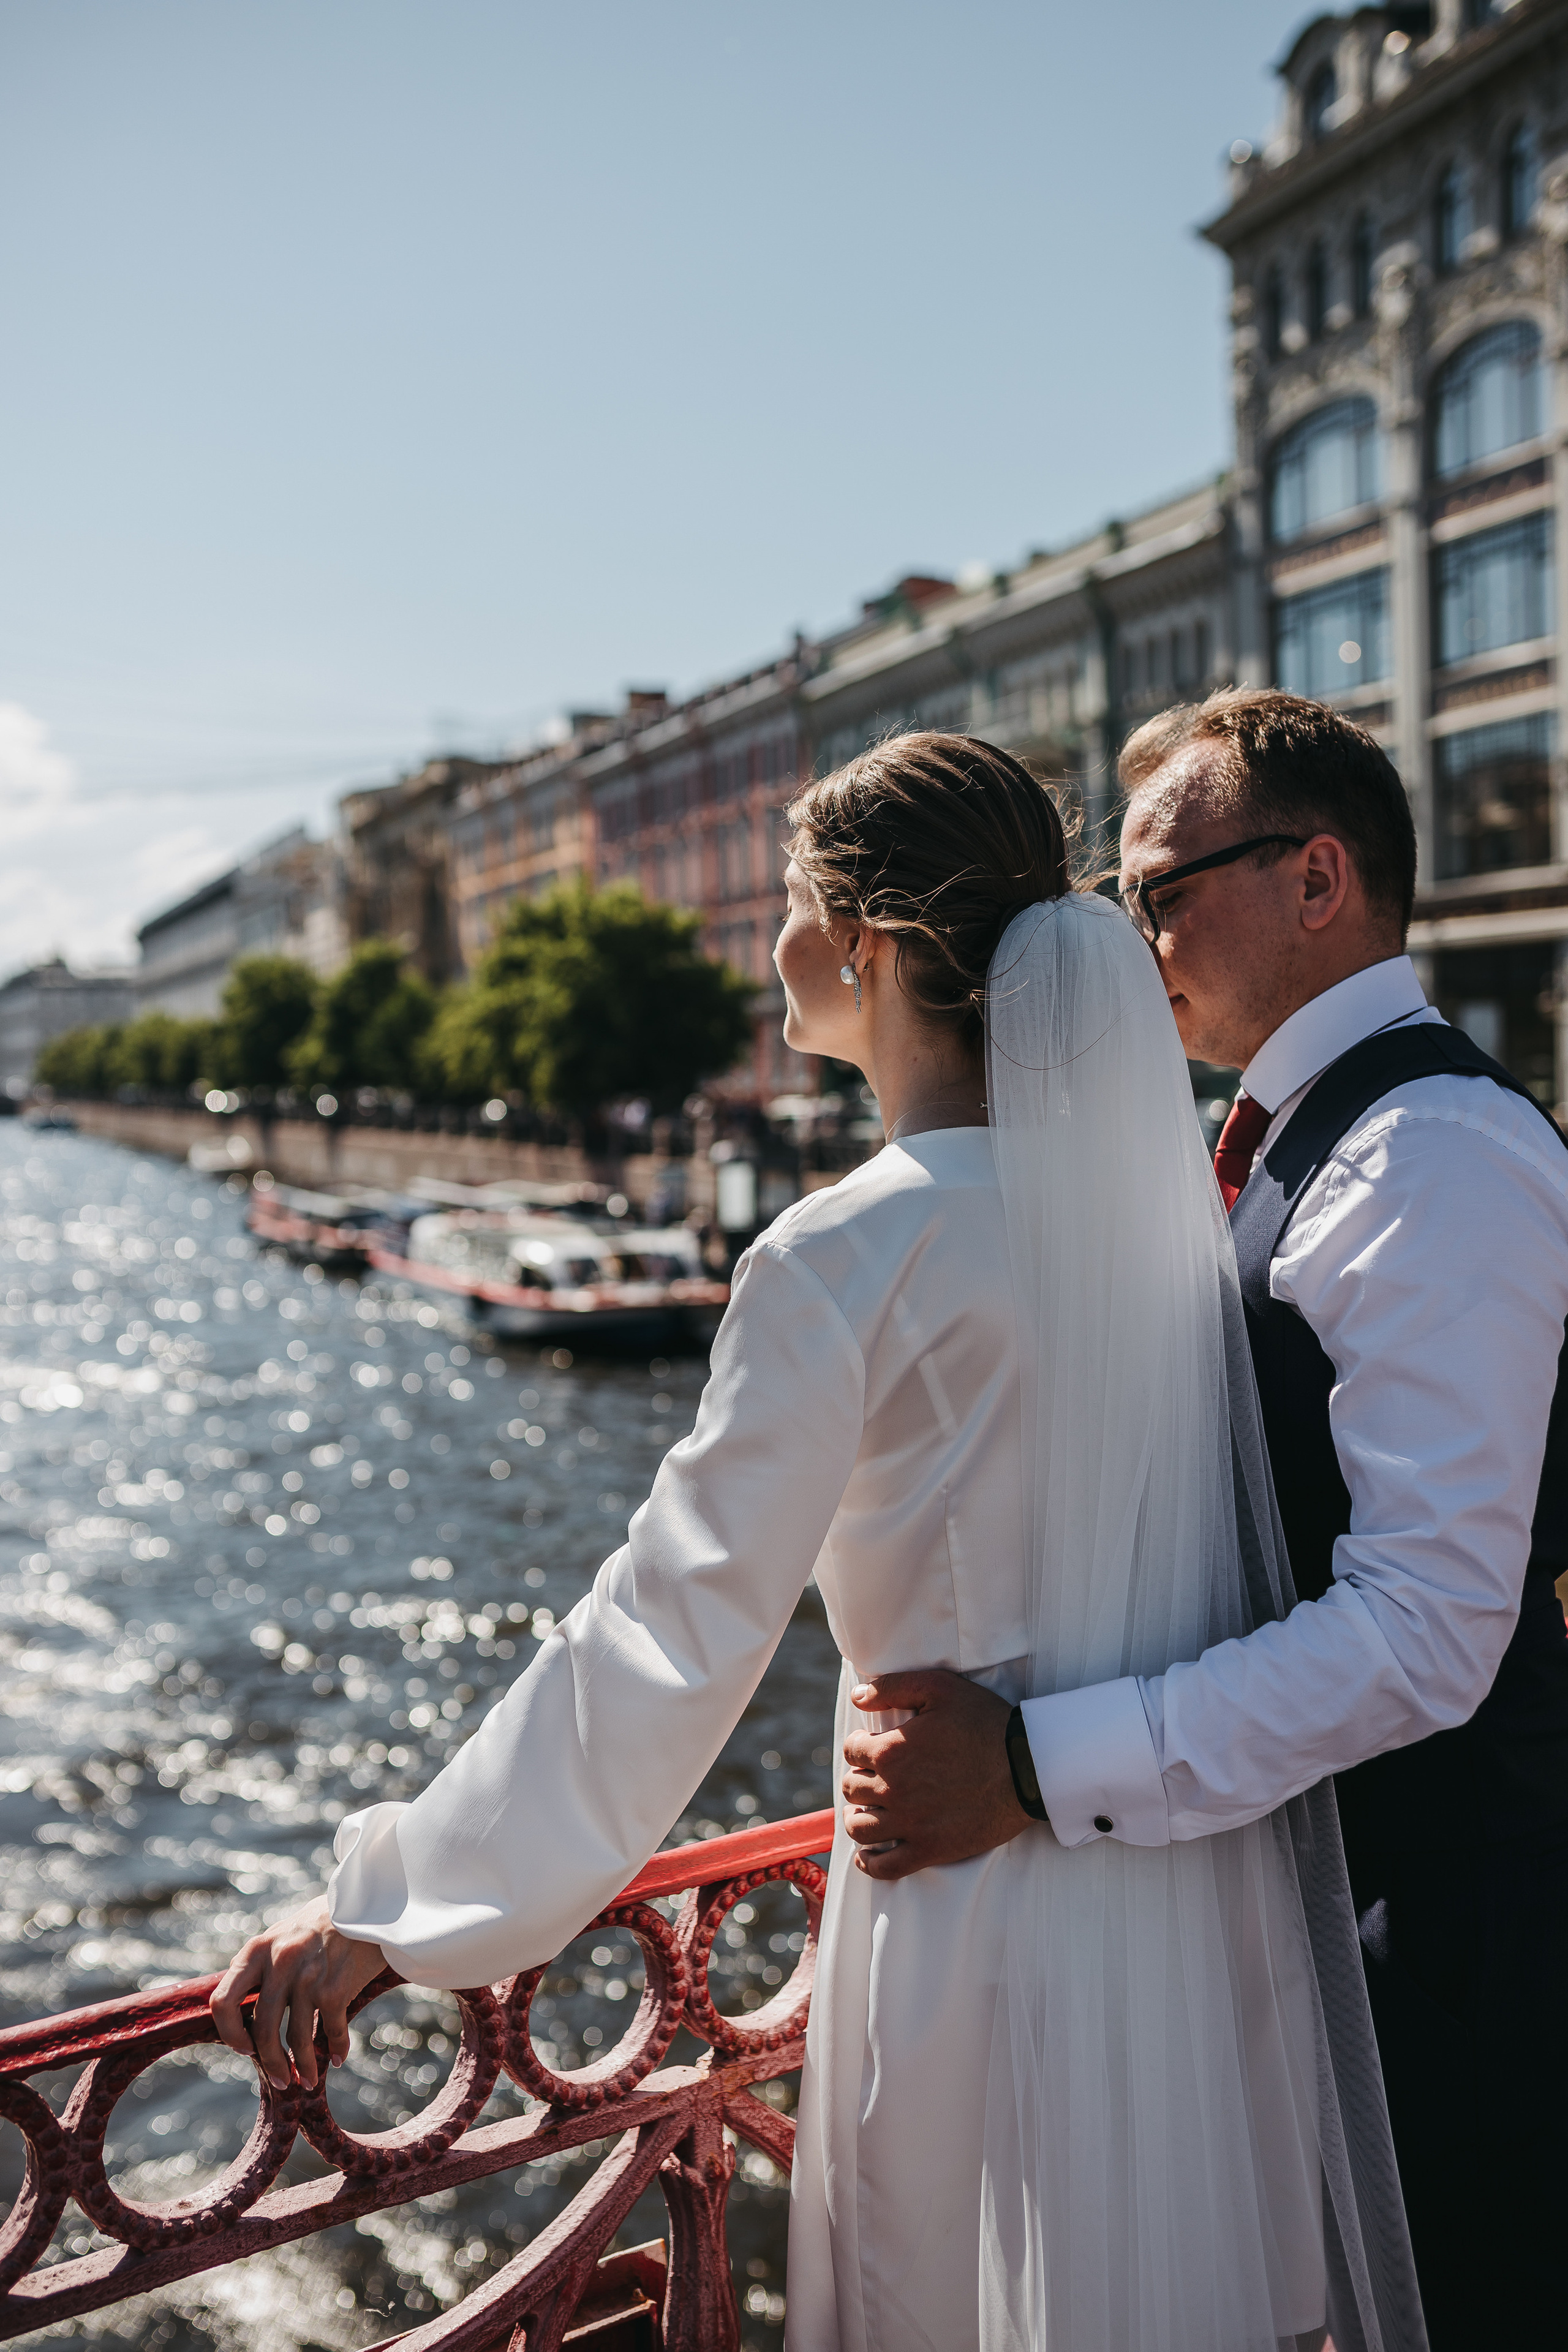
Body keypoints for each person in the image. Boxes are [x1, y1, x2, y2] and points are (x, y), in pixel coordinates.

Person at [213, 731, 1420, 2352]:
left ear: (866, 944)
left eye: (789, 902)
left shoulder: (841, 1251)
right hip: (1181, 1912)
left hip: (961, 1908)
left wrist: (395, 1900)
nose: (770, 943)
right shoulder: (1162, 1238)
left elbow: (665, 1630)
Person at [842, 690, 1568, 2352]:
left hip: (1457, 1943)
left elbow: (1427, 1631)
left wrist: (1034, 1767)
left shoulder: (1430, 1150)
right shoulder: (1308, 1137)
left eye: (1160, 891)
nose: (1133, 936)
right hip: (1346, 1916)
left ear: (1318, 879)